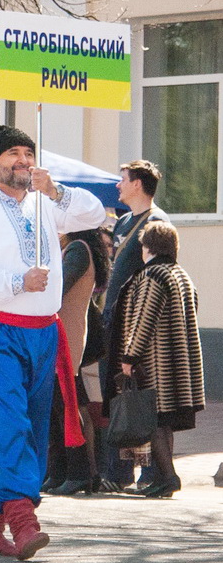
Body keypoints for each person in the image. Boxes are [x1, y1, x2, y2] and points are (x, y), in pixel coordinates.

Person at [0, 124, 105, 559]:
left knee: (32, 430)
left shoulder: (46, 205)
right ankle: (22, 517)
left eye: (28, 152)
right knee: (6, 425)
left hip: (41, 335)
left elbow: (94, 214)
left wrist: (56, 191)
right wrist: (17, 280)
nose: (23, 159)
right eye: (13, 153)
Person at [106, 221, 203, 499]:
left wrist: (129, 357)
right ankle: (163, 477)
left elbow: (143, 319)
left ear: (146, 246)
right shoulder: (181, 274)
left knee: (155, 419)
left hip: (156, 363)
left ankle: (169, 477)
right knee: (165, 420)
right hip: (180, 364)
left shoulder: (153, 275)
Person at [100, 159, 168, 492]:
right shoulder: (124, 221)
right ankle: (120, 471)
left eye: (122, 179)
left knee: (143, 397)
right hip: (115, 317)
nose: (118, 185)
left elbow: (160, 275)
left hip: (138, 321)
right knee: (118, 394)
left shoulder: (156, 222)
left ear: (138, 184)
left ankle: (153, 473)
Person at [44, 228, 109, 496]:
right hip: (62, 337)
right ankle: (59, 472)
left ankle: (79, 473)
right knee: (56, 409)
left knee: (65, 408)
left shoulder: (78, 249)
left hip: (65, 338)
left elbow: (57, 290)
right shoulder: (77, 248)